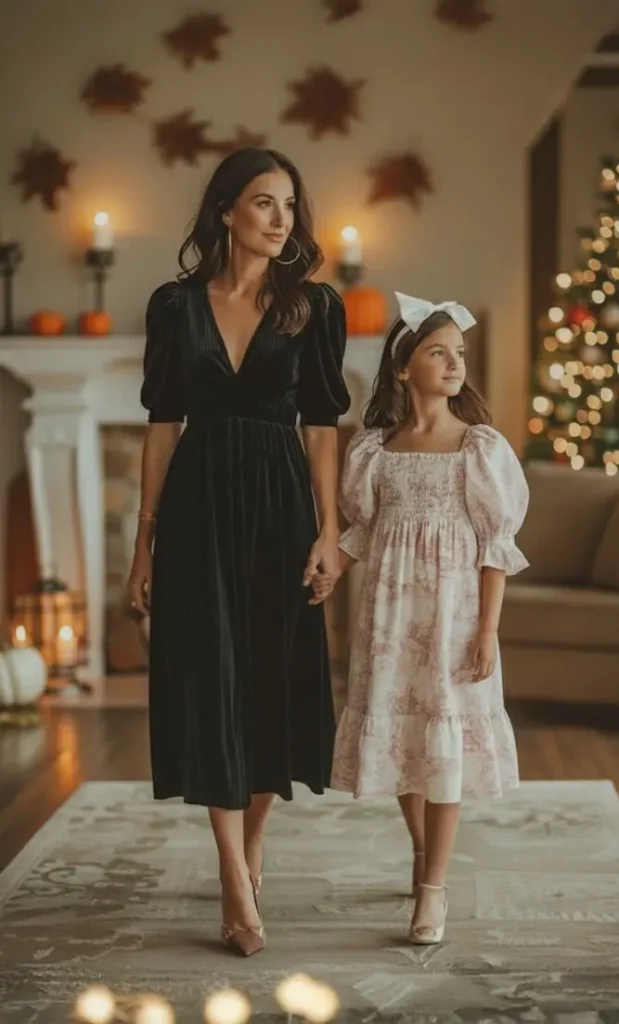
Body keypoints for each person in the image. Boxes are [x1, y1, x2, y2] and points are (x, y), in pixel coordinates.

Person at [127, 148, 350, 957]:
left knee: (269, 676)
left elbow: (323, 430)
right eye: (263, 202)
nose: (280, 218)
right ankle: (232, 873)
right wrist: (143, 541)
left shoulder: (316, 307)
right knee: (208, 675)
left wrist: (329, 533)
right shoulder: (174, 306)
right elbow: (161, 427)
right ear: (226, 210)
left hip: (282, 506)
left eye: (289, 204)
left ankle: (254, 843)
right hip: (197, 508)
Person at [318, 291, 528, 945]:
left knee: (443, 749)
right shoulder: (374, 450)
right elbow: (361, 531)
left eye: (458, 353)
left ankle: (432, 891)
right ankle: (418, 853)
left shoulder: (478, 448)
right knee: (405, 745)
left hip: (453, 622)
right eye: (437, 352)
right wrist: (327, 569)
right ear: (403, 366)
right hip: (387, 622)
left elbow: (495, 547)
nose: (453, 363)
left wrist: (487, 629)